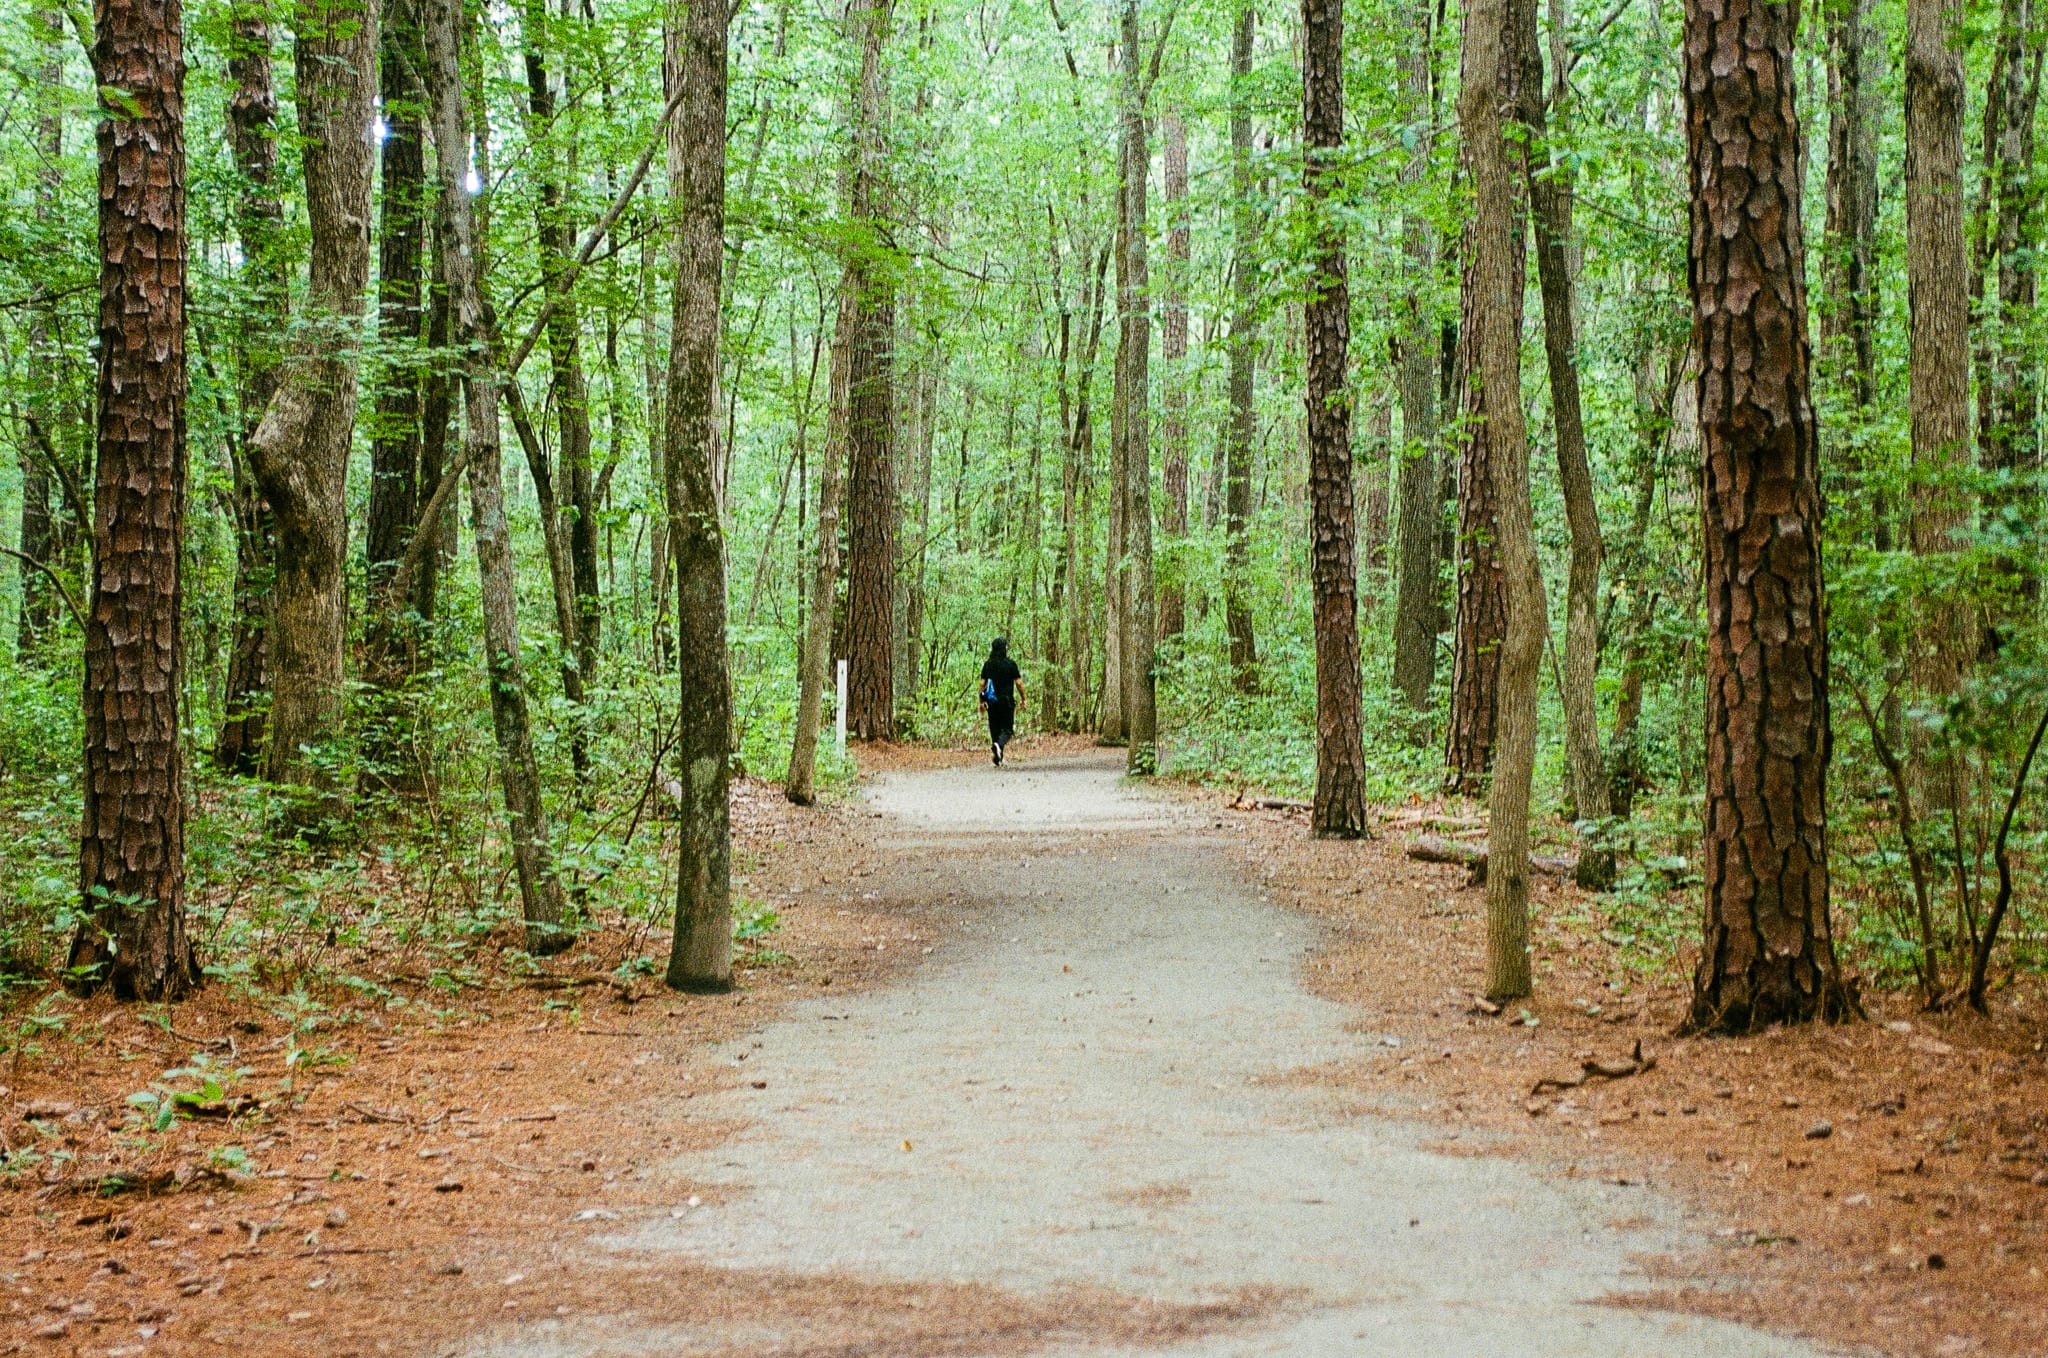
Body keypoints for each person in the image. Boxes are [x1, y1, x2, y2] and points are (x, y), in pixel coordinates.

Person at [978, 637, 1024, 766]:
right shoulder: (1011, 664)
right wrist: (1024, 698)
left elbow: (982, 683)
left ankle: (998, 757)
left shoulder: (988, 665)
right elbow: (1019, 683)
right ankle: (999, 747)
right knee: (1007, 730)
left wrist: (981, 702)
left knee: (995, 729)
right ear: (1004, 649)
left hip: (991, 702)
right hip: (1006, 701)